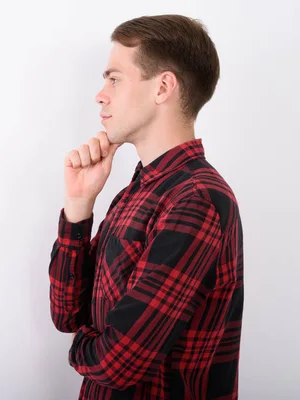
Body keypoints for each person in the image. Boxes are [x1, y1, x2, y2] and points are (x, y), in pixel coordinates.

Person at [48, 14, 243, 400]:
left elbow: (116, 363)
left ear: (163, 87)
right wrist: (79, 206)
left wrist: (79, 348)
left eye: (114, 78)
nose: (100, 94)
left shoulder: (196, 200)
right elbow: (66, 314)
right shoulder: (137, 191)